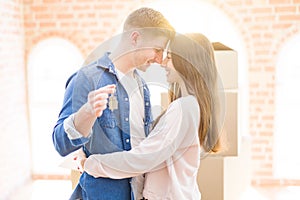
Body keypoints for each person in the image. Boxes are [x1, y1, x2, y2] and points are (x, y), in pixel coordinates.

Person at [80, 33, 223, 199]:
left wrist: (89, 164)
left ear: (185, 60)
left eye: (169, 57)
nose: (163, 63)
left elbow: (142, 159)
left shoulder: (183, 108)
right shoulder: (194, 105)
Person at [52, 7, 175, 200]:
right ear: (135, 38)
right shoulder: (87, 79)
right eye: (157, 49)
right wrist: (86, 113)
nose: (159, 59)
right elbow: (60, 143)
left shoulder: (142, 86)